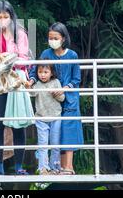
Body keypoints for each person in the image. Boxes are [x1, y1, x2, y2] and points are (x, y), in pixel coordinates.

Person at [27, 22, 83, 175]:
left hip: (69, 97)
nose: (52, 40)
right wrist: (31, 81)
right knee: (51, 137)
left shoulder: (72, 55)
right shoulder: (46, 54)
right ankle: (50, 167)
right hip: (49, 101)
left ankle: (68, 167)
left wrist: (63, 89)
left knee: (69, 130)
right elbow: (34, 71)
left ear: (63, 39)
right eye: (50, 38)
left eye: (55, 38)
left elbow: (76, 79)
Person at [0, 0, 30, 175]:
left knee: (18, 124)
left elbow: (25, 58)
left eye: (6, 16)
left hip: (15, 80)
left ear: (11, 17)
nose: (2, 20)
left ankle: (19, 167)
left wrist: (9, 61)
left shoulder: (20, 34)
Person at [28, 64, 65, 175]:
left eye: (45, 72)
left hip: (55, 117)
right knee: (43, 144)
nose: (43, 75)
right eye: (40, 72)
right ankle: (43, 168)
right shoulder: (37, 85)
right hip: (41, 118)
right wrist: (28, 85)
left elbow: (62, 98)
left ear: (51, 73)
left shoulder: (56, 82)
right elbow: (31, 93)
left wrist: (56, 94)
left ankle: (55, 167)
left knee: (55, 144)